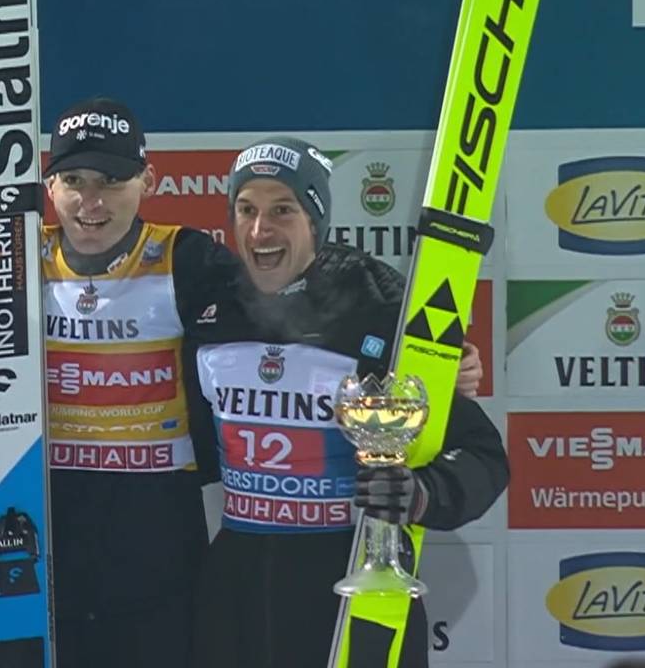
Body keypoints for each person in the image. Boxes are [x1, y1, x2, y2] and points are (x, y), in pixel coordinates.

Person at [188, 135, 507, 668]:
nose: (260, 230)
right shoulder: (212, 304)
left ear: (315, 221)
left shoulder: (374, 305)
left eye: (282, 210)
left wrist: (421, 493)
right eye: (246, 210)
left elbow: (483, 455)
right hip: (238, 592)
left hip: (354, 588)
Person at [34, 97, 242, 668]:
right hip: (49, 549)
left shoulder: (188, 258)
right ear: (49, 187)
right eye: (73, 181)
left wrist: (418, 356)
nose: (91, 201)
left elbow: (287, 317)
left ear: (147, 181)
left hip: (159, 552)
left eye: (111, 180)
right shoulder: (16, 260)